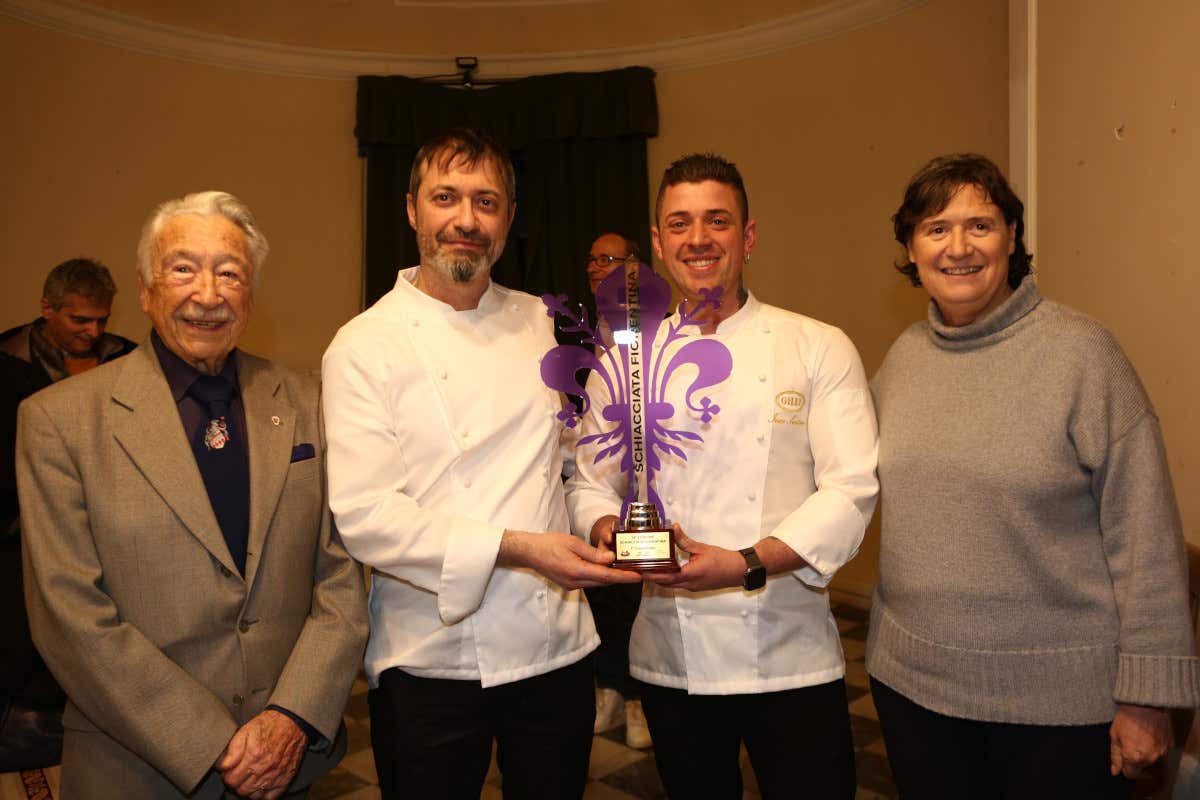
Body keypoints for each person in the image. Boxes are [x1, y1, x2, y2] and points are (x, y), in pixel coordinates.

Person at [867, 153, 1200, 799]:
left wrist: (1148, 698)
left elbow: (1146, 537)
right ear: (911, 247)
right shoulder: (903, 358)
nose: (958, 247)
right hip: (912, 688)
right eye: (936, 228)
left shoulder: (1083, 355)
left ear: (1012, 238)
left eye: (980, 225)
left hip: (1058, 708)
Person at [321, 128, 640, 800]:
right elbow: (366, 518)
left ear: (509, 219)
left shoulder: (541, 323)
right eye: (446, 198)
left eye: (486, 202)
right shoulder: (361, 346)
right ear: (412, 210)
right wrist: (523, 549)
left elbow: (569, 468)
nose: (466, 220)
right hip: (425, 661)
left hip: (553, 645)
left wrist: (600, 522)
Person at [17, 191, 368, 798]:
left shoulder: (308, 401)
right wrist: (210, 740)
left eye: (230, 273)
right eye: (183, 269)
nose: (208, 294)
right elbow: (68, 613)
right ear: (147, 289)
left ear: (251, 297)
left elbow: (341, 577)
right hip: (132, 766)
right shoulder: (58, 420)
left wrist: (290, 718)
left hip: (284, 762)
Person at [567, 153, 879, 799]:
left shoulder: (816, 345)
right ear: (658, 242)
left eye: (718, 221)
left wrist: (742, 563)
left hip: (791, 653)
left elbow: (851, 489)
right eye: (679, 223)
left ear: (749, 235)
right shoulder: (626, 360)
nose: (699, 239)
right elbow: (590, 481)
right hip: (671, 657)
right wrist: (607, 526)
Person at [0, 258, 136, 771]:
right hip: (20, 531)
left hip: (113, 525)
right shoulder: (7, 359)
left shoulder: (127, 358)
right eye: (80, 320)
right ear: (46, 309)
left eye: (101, 319)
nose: (93, 332)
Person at [581, 232, 652, 749]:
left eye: (608, 258)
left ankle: (636, 699)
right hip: (582, 479)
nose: (596, 266)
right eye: (591, 259)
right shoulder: (573, 329)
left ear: (635, 266)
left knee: (633, 595)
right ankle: (607, 688)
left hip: (642, 484)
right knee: (597, 592)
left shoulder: (655, 326)